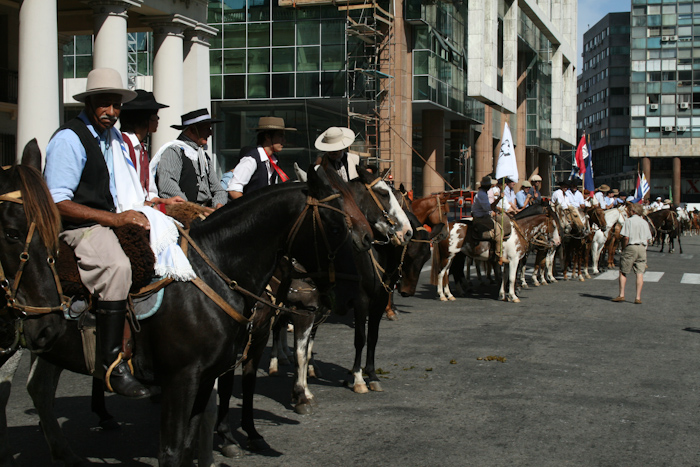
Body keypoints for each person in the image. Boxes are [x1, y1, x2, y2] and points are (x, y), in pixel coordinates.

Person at [44, 69, 157, 399]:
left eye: (117, 105)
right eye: (105, 104)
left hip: (109, 220)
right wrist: (116, 219)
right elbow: (57, 201)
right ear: (90, 102)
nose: (112, 111)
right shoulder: (69, 139)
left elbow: (125, 189)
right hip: (79, 228)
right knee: (118, 268)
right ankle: (111, 364)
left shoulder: (111, 139)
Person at [119, 90, 184, 210]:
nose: (158, 119)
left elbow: (149, 195)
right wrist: (154, 205)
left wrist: (166, 201)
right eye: (155, 115)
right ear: (143, 118)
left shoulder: (141, 147)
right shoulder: (122, 145)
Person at [151, 108, 228, 209]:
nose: (210, 133)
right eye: (206, 129)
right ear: (192, 129)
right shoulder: (174, 151)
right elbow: (168, 188)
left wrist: (218, 205)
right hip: (184, 213)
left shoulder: (203, 156)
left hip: (205, 212)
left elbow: (218, 190)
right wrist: (195, 209)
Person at [226, 116, 296, 199]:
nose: (284, 140)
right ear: (268, 137)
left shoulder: (274, 160)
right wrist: (249, 210)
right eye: (280, 136)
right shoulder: (251, 159)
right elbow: (234, 189)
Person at [612, 203, 653, 304]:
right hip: (642, 248)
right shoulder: (644, 222)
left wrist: (624, 248)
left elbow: (626, 237)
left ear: (632, 211)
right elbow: (648, 238)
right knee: (640, 273)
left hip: (631, 246)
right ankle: (638, 297)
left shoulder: (628, 221)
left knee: (623, 271)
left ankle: (621, 294)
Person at [471, 175, 511, 264]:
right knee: (499, 232)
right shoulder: (482, 195)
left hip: (484, 216)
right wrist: (499, 198)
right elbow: (489, 208)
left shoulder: (483, 193)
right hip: (481, 218)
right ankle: (498, 255)